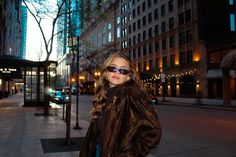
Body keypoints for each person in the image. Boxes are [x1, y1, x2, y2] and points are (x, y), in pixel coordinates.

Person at [79, 52, 162, 157]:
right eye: (113, 68)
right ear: (106, 72)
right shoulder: (104, 94)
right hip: (97, 150)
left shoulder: (132, 94)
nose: (117, 72)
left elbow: (154, 132)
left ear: (128, 77)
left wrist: (130, 154)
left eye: (122, 70)